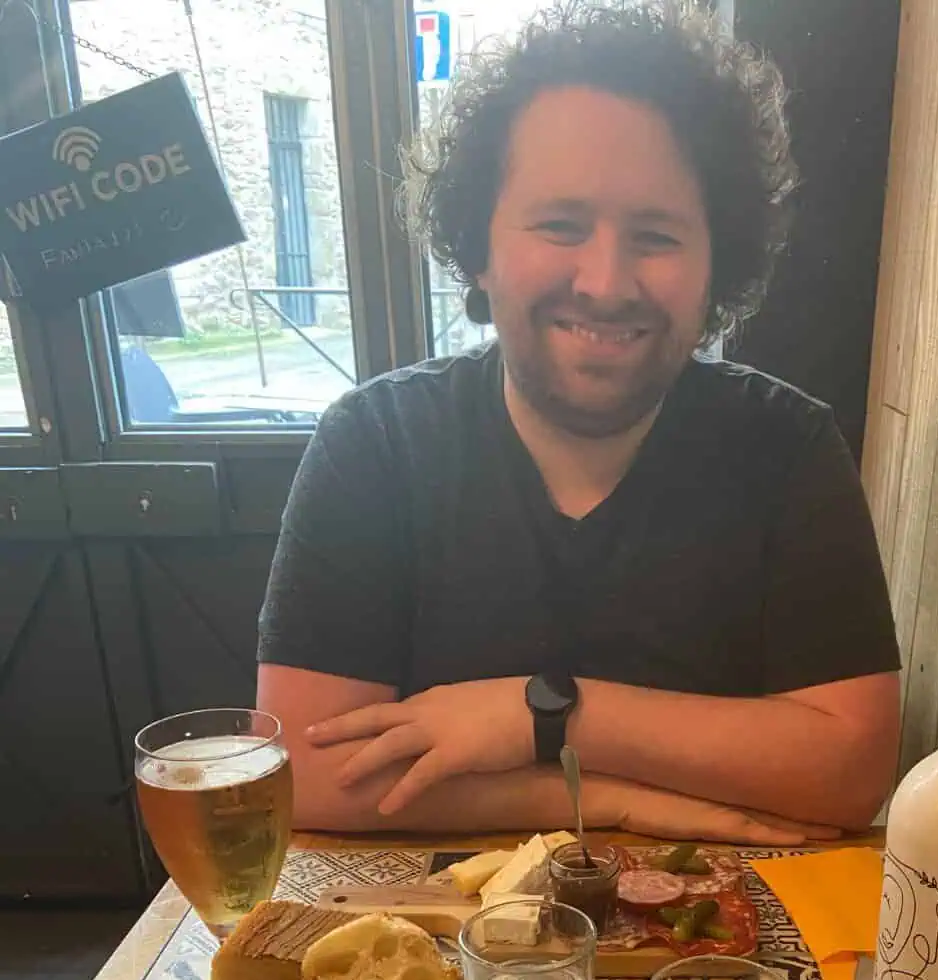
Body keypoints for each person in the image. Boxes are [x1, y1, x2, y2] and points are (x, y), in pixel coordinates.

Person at [257, 0, 901, 843]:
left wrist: (542, 717)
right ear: (478, 252)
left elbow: (851, 773)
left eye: (657, 235)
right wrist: (595, 799)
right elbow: (303, 776)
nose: (605, 282)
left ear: (718, 264)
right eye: (561, 226)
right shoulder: (374, 445)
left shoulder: (789, 449)